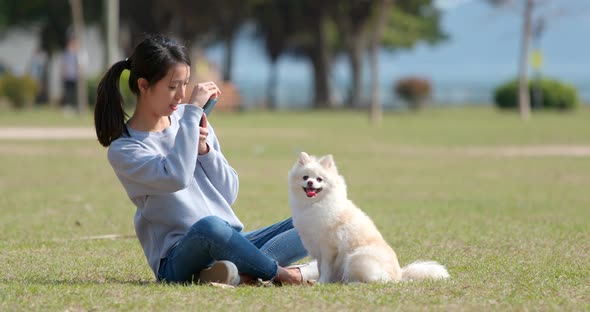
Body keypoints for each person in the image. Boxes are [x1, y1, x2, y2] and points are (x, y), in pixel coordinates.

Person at [93, 34, 317, 286]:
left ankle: (234, 271)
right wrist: (190, 120)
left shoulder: (191, 121)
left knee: (314, 217)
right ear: (144, 86)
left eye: (185, 84)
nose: (180, 96)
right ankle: (285, 275)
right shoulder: (125, 148)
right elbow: (176, 177)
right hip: (179, 256)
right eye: (172, 86)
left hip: (229, 240)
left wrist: (205, 151)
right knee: (210, 227)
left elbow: (229, 192)